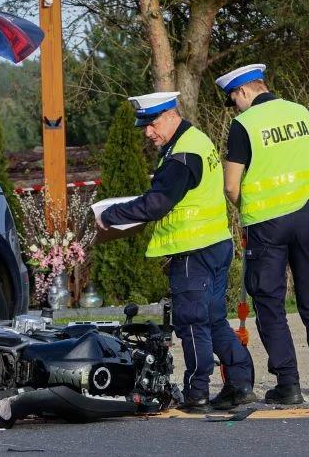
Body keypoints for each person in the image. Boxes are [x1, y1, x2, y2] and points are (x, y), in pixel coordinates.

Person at [97, 91, 255, 413]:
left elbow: (156, 204)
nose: (147, 132)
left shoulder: (182, 156)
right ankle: (240, 384)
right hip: (215, 245)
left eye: (152, 123)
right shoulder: (194, 141)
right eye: (144, 125)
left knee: (193, 323)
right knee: (213, 320)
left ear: (170, 115)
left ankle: (197, 392)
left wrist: (108, 216)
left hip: (192, 252)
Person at [215, 64, 309, 404]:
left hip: (267, 223)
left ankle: (288, 384)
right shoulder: (303, 113)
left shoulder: (243, 125)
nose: (235, 107)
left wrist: (245, 207)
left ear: (242, 92)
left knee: (270, 303)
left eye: (234, 100)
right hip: (307, 215)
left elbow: (231, 185)